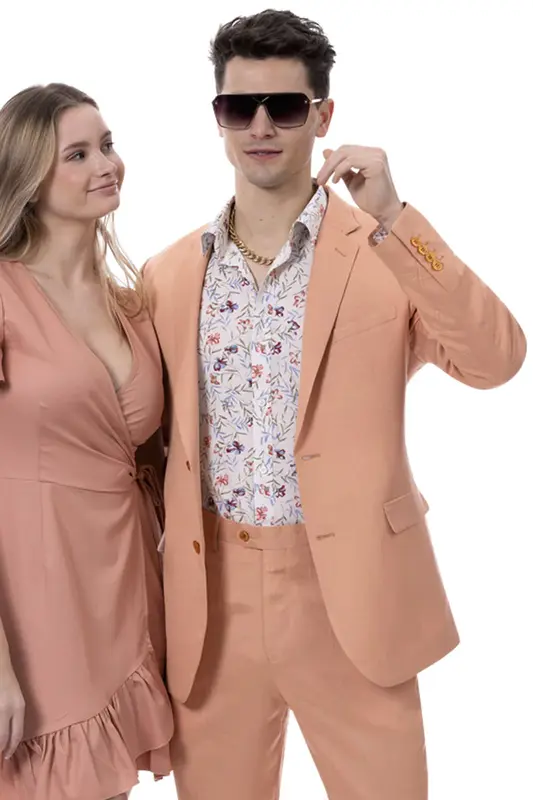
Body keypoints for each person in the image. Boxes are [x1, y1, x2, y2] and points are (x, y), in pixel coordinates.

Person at [143, 10, 526, 800]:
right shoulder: (168, 274)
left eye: (284, 107)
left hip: (353, 599)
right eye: (238, 107)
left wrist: (397, 219)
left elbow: (495, 360)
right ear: (216, 118)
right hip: (208, 608)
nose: (259, 127)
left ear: (322, 117)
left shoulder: (385, 255)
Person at [0, 83, 173, 800]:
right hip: (33, 599)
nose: (106, 164)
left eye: (106, 145)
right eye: (77, 154)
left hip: (126, 585)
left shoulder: (131, 302)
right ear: (28, 178)